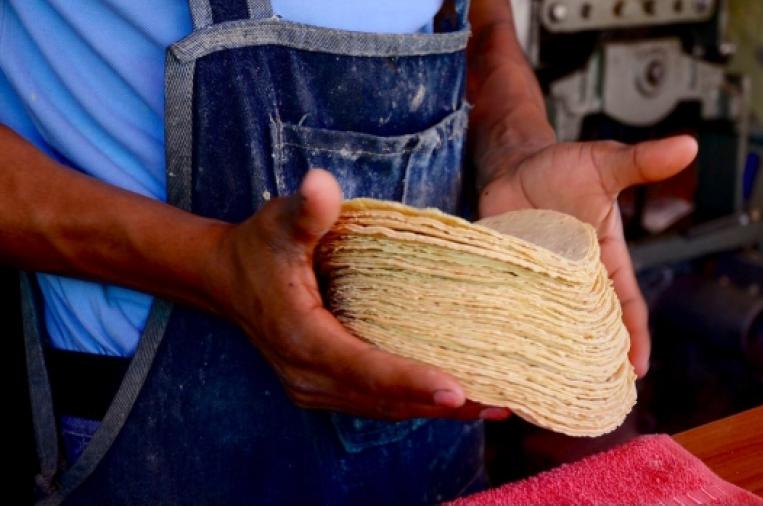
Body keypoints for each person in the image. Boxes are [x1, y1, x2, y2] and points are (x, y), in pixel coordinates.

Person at [0, 0, 698, 503]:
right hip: (156, 430)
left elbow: (485, 18)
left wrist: (513, 130)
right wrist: (209, 268)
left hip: (437, 428)